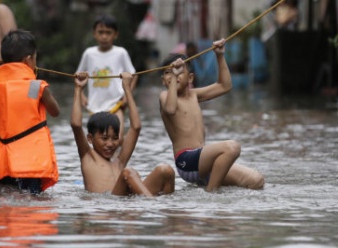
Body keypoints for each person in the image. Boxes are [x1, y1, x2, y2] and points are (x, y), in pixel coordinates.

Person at [158, 38, 265, 192]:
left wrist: (219, 56)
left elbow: (225, 86)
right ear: (163, 80)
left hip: (203, 162)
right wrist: (174, 77)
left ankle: (210, 185)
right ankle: (211, 193)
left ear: (190, 78)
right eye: (168, 73)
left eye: (180, 71)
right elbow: (170, 109)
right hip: (186, 162)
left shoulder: (194, 95)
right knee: (232, 147)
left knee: (256, 180)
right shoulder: (164, 96)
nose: (174, 75)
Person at [71, 71, 175, 197]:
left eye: (115, 138)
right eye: (104, 138)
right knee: (128, 172)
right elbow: (76, 125)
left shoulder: (119, 161)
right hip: (107, 206)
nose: (110, 144)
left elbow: (135, 127)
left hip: (124, 202)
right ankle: (151, 204)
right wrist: (78, 88)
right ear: (90, 138)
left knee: (166, 170)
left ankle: (168, 207)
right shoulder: (88, 156)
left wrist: (127, 88)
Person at [0, 30, 61, 194]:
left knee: (5, 203)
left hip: (2, 165)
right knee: (30, 207)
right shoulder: (37, 86)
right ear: (28, 59)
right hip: (29, 164)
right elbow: (55, 112)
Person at [76, 14, 138, 142]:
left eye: (108, 32)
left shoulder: (121, 53)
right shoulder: (89, 53)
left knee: (118, 138)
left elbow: (133, 74)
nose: (104, 36)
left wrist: (127, 96)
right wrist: (82, 96)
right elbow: (78, 76)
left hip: (116, 104)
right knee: (96, 141)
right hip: (94, 106)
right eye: (101, 32)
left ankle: (118, 162)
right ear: (94, 33)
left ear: (115, 34)